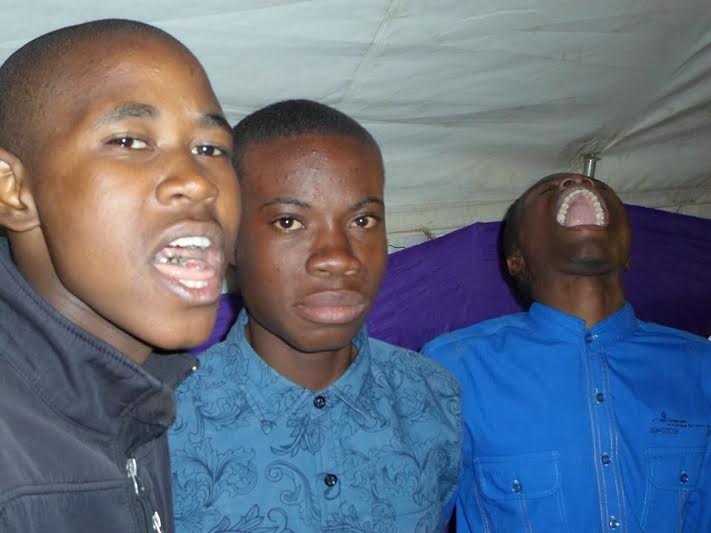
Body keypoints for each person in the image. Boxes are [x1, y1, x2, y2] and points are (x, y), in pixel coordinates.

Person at [169, 99, 461, 533]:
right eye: (289, 222)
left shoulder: (434, 397)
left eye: (362, 220)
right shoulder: (163, 421)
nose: (338, 257)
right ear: (227, 242)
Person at [0, 19, 240, 532]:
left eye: (212, 149)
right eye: (130, 141)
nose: (200, 182)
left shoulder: (129, 390)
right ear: (13, 191)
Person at [422, 172, 711, 532]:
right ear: (516, 261)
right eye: (547, 190)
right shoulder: (456, 367)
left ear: (628, 251)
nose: (578, 182)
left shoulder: (699, 365)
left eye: (601, 186)